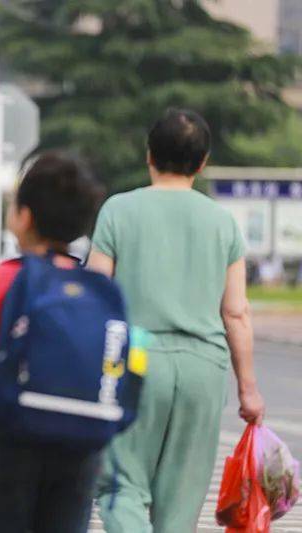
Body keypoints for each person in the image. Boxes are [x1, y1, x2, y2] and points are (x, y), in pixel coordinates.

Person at [86, 108, 265, 532]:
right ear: (202, 163)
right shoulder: (223, 222)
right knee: (181, 501)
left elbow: (96, 295)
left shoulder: (118, 210)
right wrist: (248, 389)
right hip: (204, 365)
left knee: (122, 486)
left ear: (149, 154)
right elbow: (236, 311)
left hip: (137, 358)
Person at [0, 152, 105, 533]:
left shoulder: (0, 280)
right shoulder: (98, 288)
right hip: (80, 437)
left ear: (22, 218)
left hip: (12, 433)